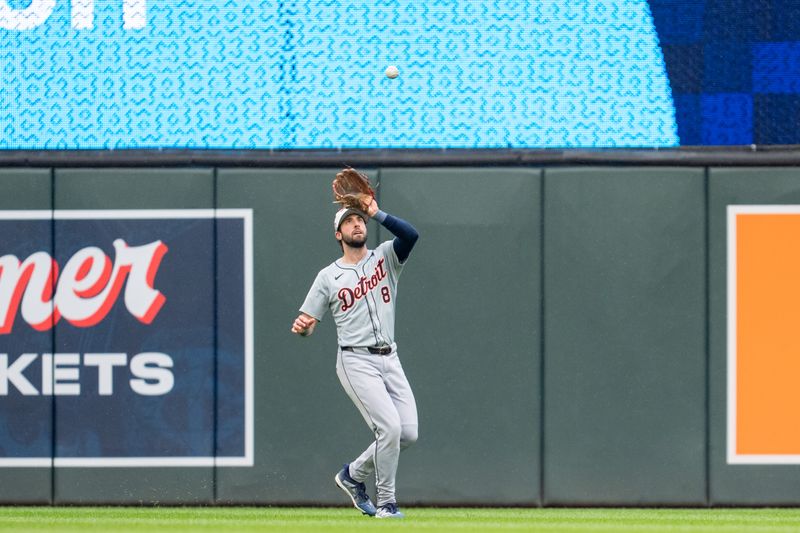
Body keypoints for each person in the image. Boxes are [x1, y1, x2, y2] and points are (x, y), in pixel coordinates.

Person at [291, 185, 419, 519]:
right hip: (355, 359)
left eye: (359, 219)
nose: (357, 224)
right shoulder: (328, 277)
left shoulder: (386, 257)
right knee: (389, 429)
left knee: (407, 433)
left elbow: (412, 235)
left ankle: (352, 475)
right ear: (339, 234)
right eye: (349, 222)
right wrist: (304, 327)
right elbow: (309, 325)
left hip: (390, 357)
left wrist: (376, 211)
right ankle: (387, 504)